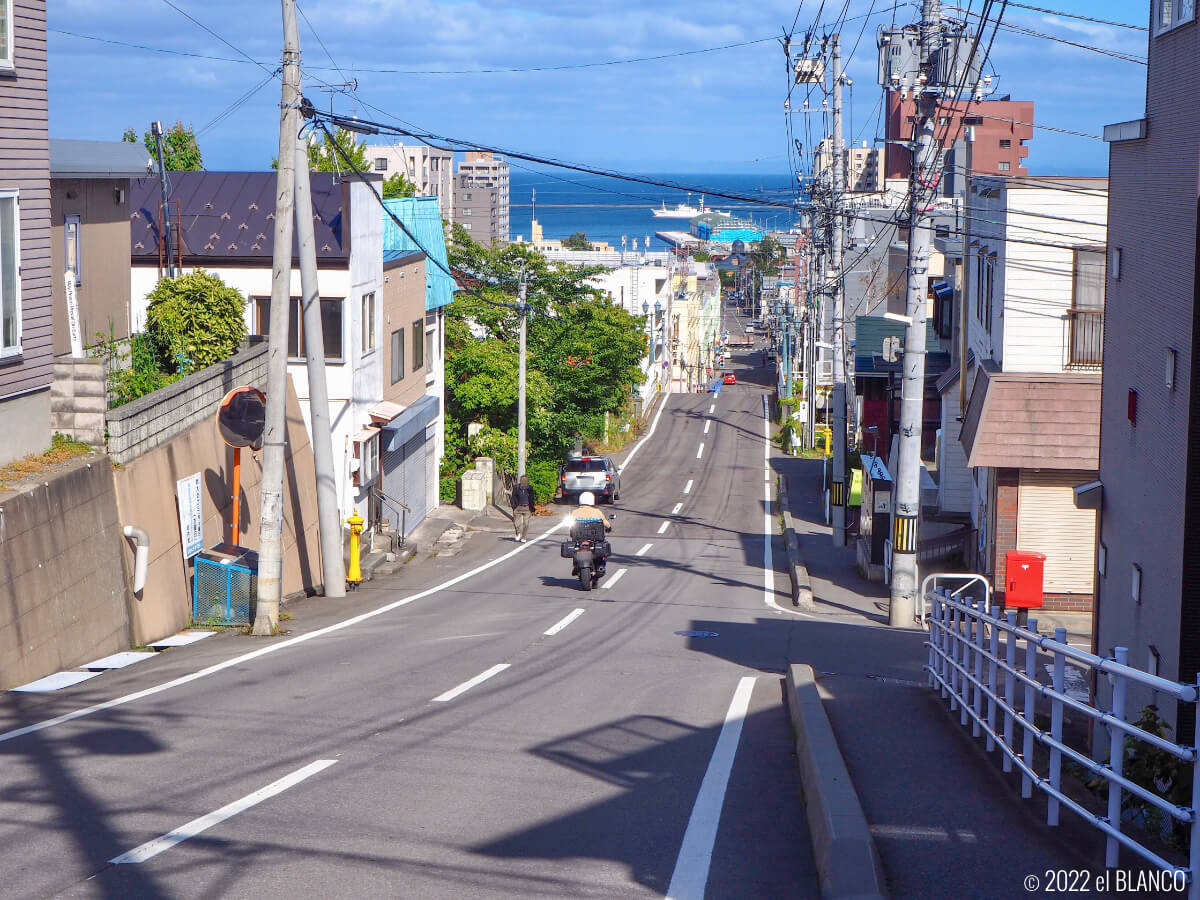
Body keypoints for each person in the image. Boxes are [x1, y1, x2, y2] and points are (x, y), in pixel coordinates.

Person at [568, 491, 612, 573]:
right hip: (595, 538)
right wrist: (609, 527)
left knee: (575, 549)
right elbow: (605, 522)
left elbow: (570, 525)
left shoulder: (575, 512)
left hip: (579, 538)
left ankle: (575, 565)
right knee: (601, 549)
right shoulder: (597, 511)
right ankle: (600, 566)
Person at [510, 474, 535, 543]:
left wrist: (532, 508)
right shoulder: (516, 487)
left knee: (526, 523)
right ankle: (518, 533)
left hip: (527, 507)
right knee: (516, 523)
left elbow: (532, 499)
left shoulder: (530, 488)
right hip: (518, 507)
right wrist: (514, 506)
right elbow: (513, 497)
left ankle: (524, 537)